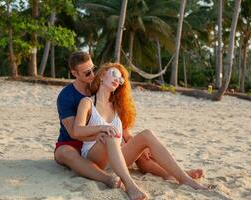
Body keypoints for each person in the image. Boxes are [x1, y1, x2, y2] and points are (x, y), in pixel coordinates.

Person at [73, 63, 212, 200]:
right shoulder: (87, 102)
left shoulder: (116, 107)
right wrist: (102, 128)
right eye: (115, 74)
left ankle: (184, 178)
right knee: (110, 135)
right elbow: (77, 131)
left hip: (116, 158)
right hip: (94, 156)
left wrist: (141, 147)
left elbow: (125, 135)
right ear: (102, 75)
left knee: (147, 134)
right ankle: (130, 185)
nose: (118, 80)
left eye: (121, 79)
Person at [54, 51, 122, 188]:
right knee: (65, 153)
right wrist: (98, 135)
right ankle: (107, 179)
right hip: (71, 142)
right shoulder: (66, 97)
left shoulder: (96, 88)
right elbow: (74, 133)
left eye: (93, 69)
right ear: (74, 73)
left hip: (96, 142)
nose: (92, 75)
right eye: (87, 73)